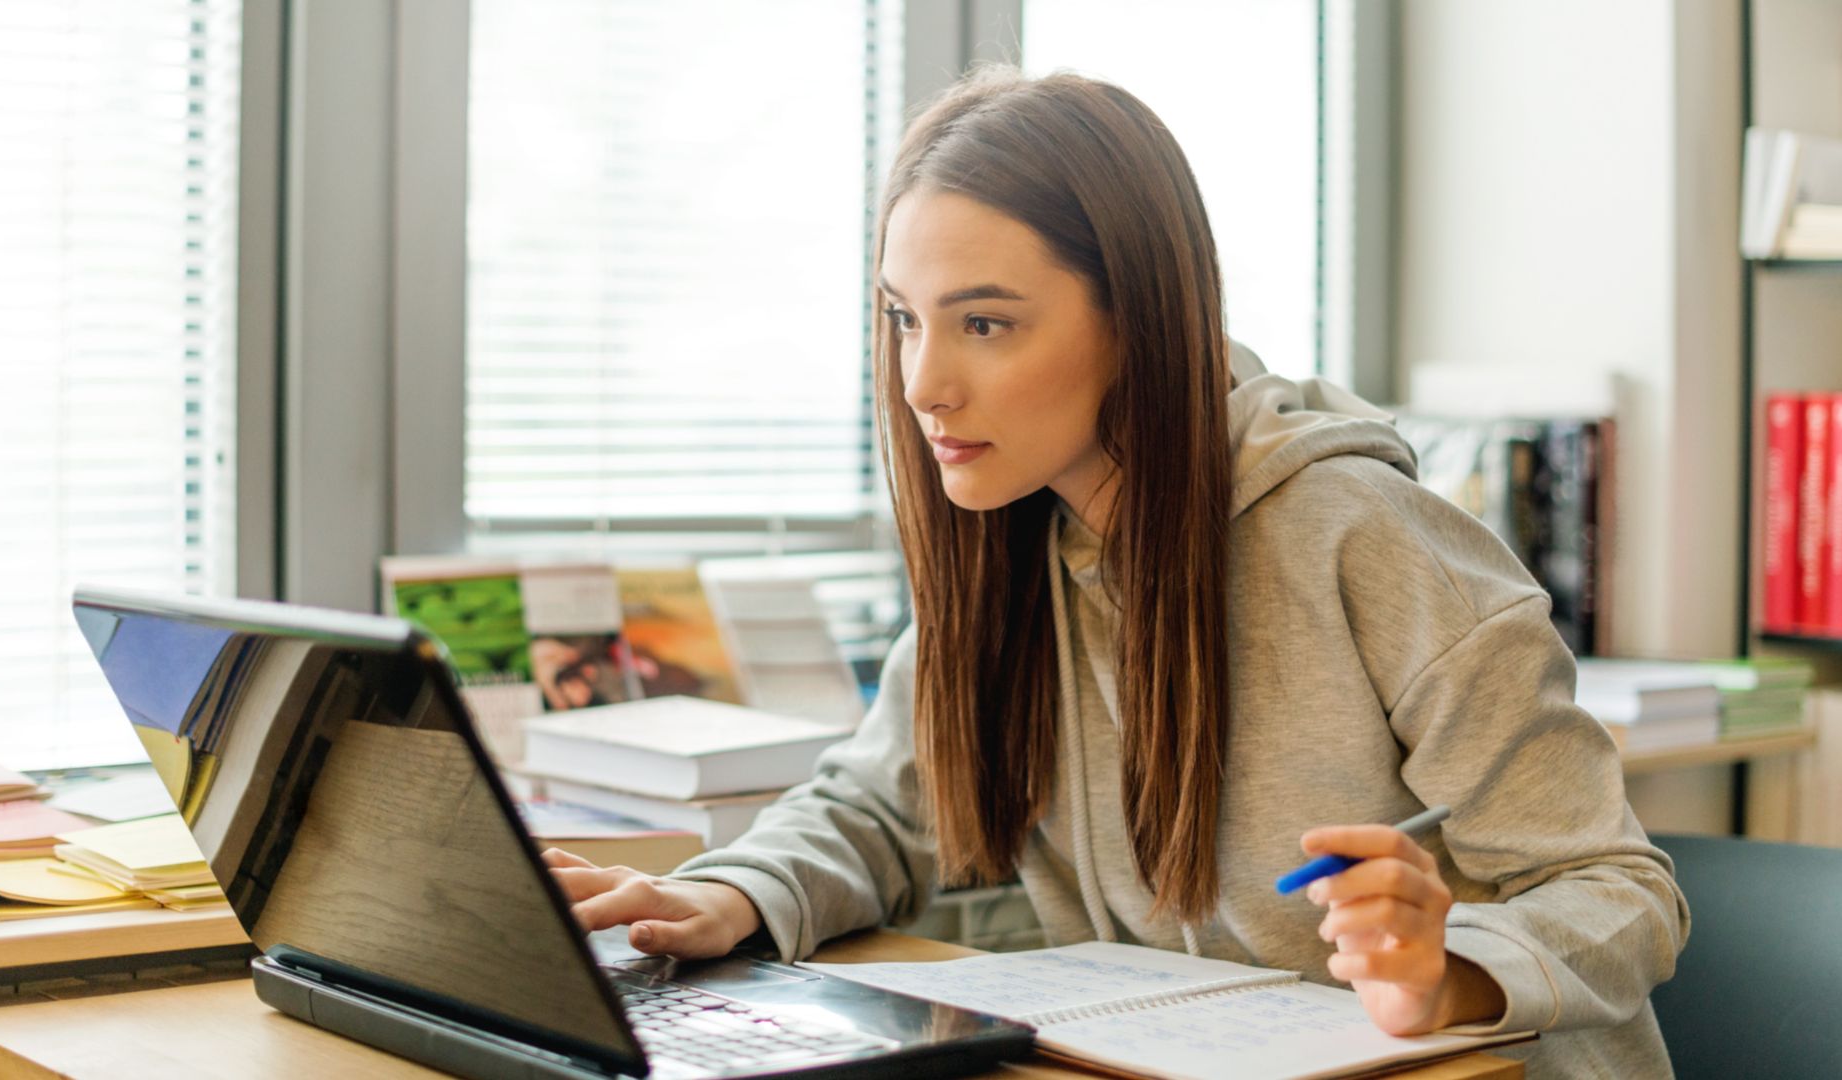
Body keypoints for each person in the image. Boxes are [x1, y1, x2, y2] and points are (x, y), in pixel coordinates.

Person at [540, 67, 1689, 1077]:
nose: (921, 383)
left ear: (1137, 318)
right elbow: (877, 812)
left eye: (983, 325)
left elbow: (1618, 893)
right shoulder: (1012, 537)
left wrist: (1447, 972)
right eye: (902, 319)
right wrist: (727, 895)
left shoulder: (1362, 536)